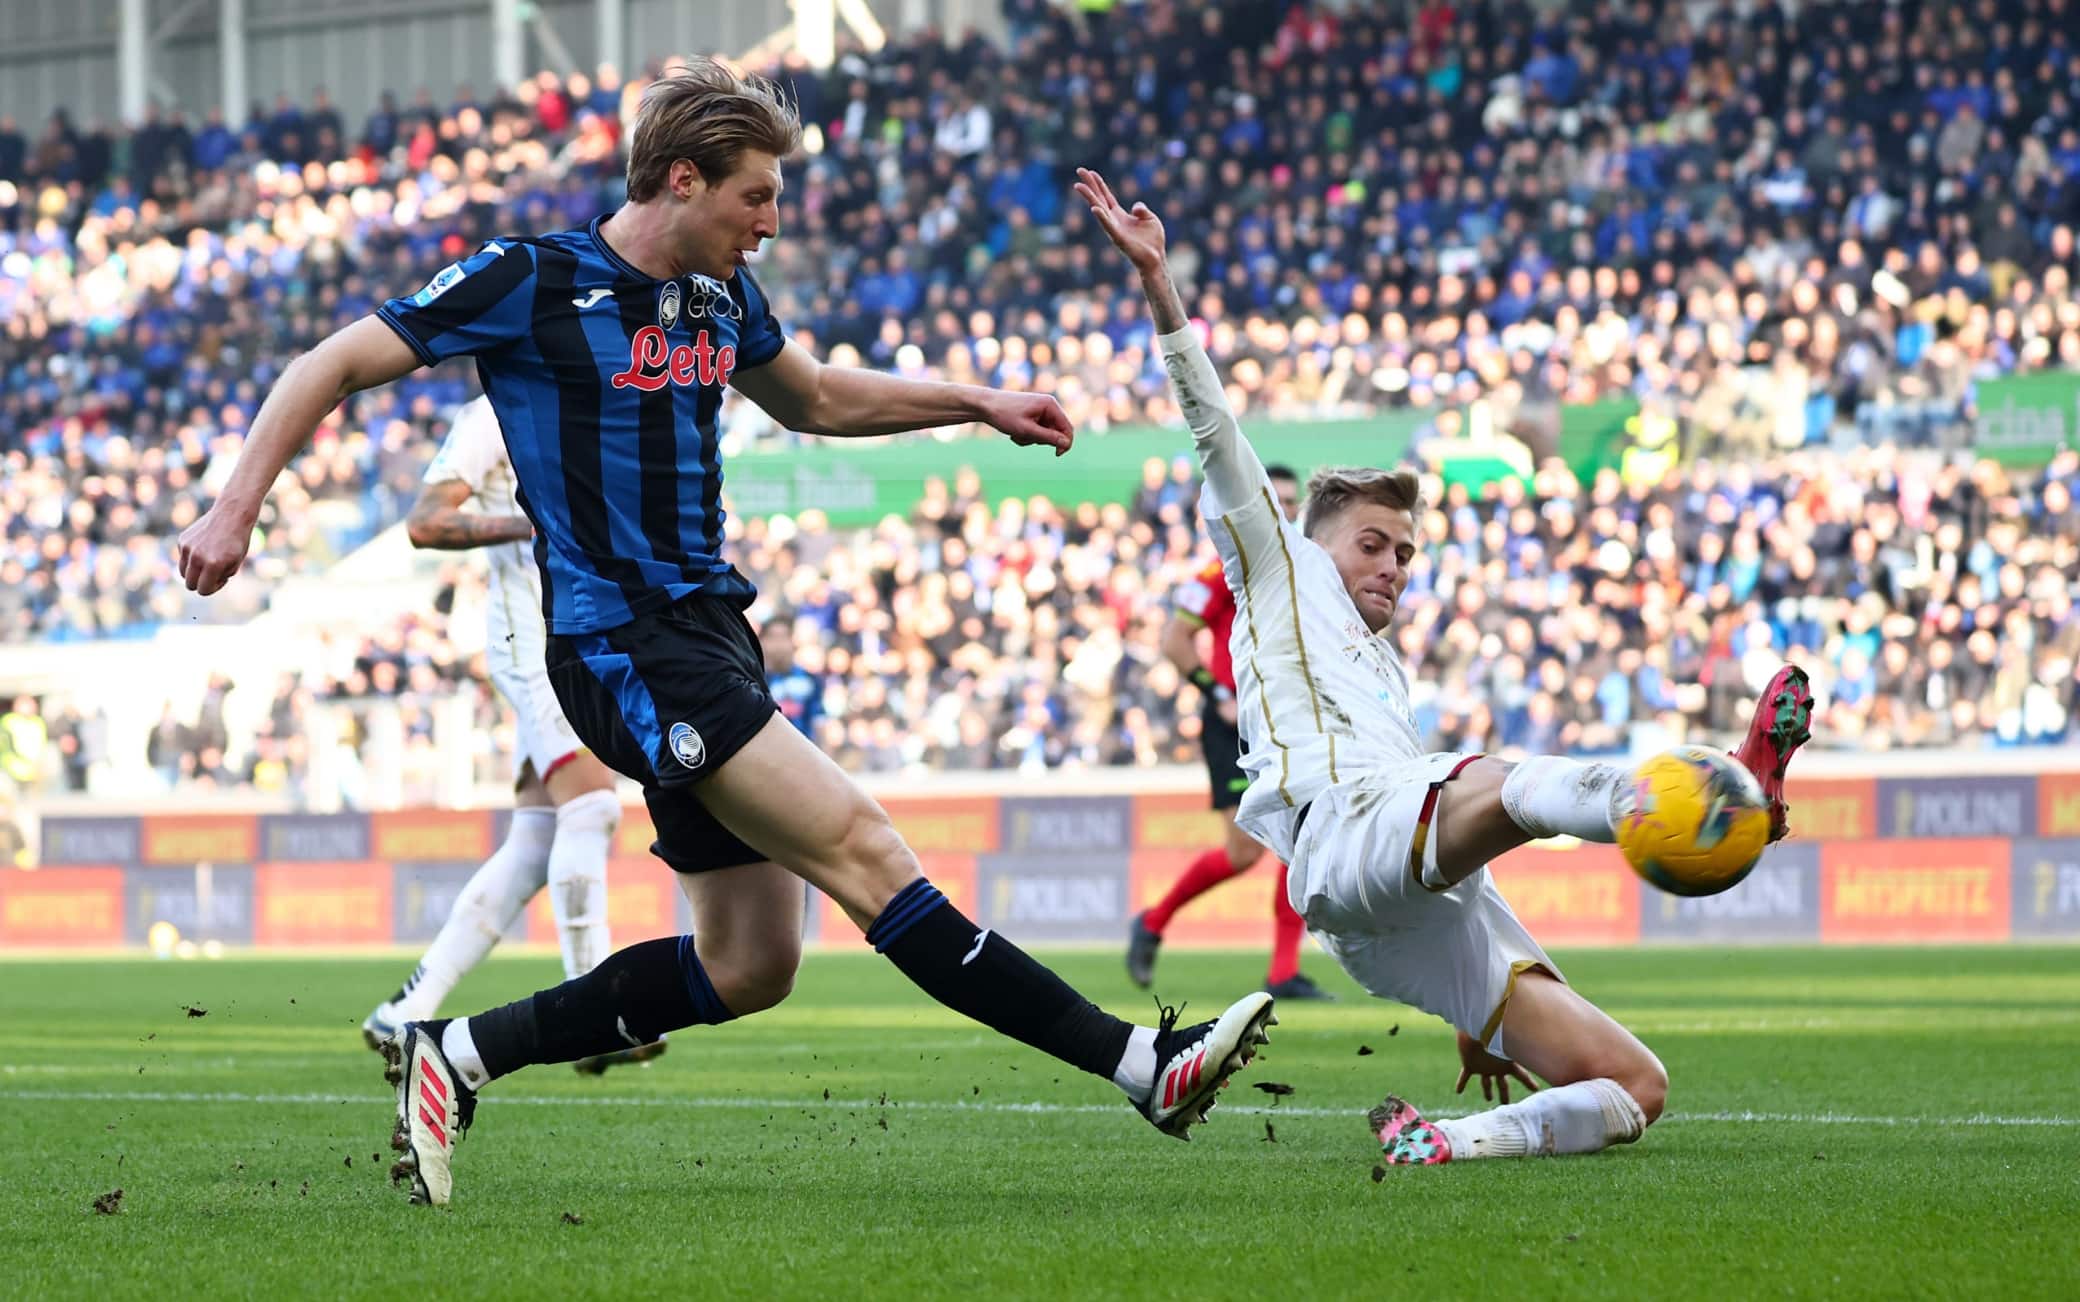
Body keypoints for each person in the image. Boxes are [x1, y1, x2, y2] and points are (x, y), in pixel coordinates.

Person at [176, 61, 1274, 1209]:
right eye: (756, 198)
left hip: (709, 635)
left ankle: (453, 1057)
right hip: (625, 648)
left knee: (752, 965)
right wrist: (234, 505)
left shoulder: (715, 298)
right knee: (865, 849)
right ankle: (1142, 1066)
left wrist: (977, 402)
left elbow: (814, 399)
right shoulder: (534, 278)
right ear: (683, 178)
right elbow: (334, 361)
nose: (769, 224)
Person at [1076, 166, 1813, 1165]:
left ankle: (1452, 1142)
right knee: (1499, 783)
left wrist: (1479, 999)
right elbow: (1213, 429)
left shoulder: (1382, 671)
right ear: (1310, 539)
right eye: (1373, 544)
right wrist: (1158, 282)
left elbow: (1444, 834)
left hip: (1393, 900)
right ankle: (1683, 784)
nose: (1392, 566)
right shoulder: (1275, 569)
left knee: (1635, 1085)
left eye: (1405, 553)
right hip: (1340, 831)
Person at [360, 396, 659, 1076]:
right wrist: (528, 521)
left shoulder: (587, 398)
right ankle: (594, 1017)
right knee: (593, 808)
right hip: (532, 640)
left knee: (535, 842)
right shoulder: (491, 416)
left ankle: (406, 1010)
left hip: (576, 633)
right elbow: (427, 522)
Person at [1127, 464, 1334, 1002]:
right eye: (1278, 500)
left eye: (1294, 502)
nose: (1286, 510)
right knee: (1245, 853)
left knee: (1300, 845)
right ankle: (1152, 922)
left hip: (1289, 725)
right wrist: (1217, 692)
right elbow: (1176, 641)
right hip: (1236, 728)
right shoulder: (1222, 570)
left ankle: (1284, 973)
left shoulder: (1309, 573)